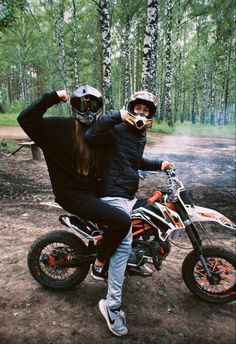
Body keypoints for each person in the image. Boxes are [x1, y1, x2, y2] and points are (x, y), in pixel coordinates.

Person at [17, 85, 136, 336]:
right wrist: (52, 97)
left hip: (96, 192)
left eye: (91, 104)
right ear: (72, 106)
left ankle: (127, 259)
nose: (87, 109)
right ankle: (100, 264)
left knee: (138, 213)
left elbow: (121, 154)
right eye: (81, 104)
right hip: (72, 195)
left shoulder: (99, 132)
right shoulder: (56, 128)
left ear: (98, 106)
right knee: (121, 222)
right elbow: (25, 119)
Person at [85, 90, 173, 336]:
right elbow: (91, 136)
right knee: (123, 245)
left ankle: (131, 266)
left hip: (127, 195)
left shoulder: (139, 135)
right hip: (112, 194)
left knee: (148, 221)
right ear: (130, 109)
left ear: (150, 114)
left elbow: (134, 161)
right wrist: (116, 117)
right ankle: (111, 306)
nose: (141, 113)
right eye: (138, 109)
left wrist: (159, 165)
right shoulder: (118, 128)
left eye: (146, 111)